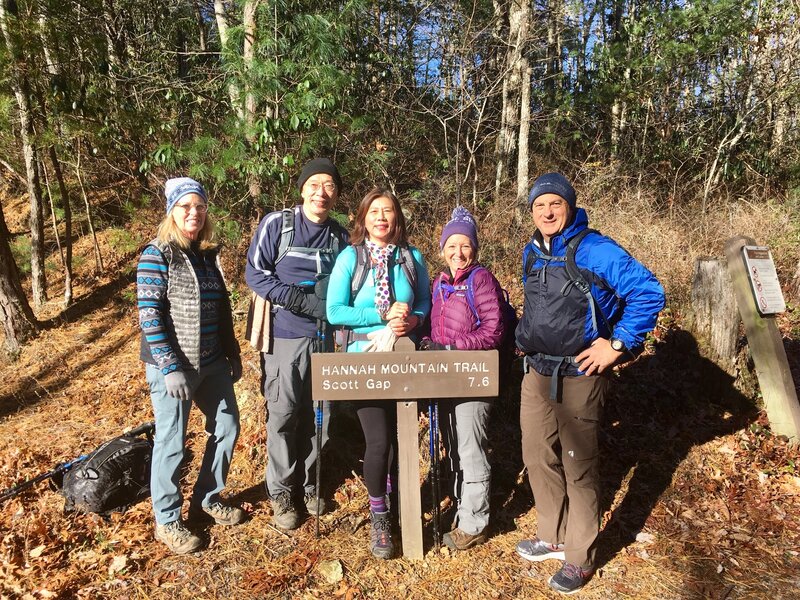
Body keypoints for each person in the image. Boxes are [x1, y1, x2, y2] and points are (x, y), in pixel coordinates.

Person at [514, 173, 665, 594]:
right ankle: (553, 535)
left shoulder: (595, 249)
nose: (547, 211)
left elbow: (648, 291)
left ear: (569, 206)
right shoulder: (533, 251)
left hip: (581, 374)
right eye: (539, 205)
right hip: (538, 373)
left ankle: (579, 557)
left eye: (555, 204)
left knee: (578, 465)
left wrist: (616, 345)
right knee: (538, 455)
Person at [137, 177, 244, 555]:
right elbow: (150, 316)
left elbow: (221, 311)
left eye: (199, 206)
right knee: (172, 441)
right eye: (186, 207)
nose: (194, 212)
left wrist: (232, 353)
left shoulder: (207, 253)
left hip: (213, 362)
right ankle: (167, 520)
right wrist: (169, 367)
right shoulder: (158, 254)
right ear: (172, 211)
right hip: (175, 367)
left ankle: (208, 497)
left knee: (228, 426)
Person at [245, 158, 349, 530]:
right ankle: (281, 492)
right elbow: (255, 275)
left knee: (321, 416)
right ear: (303, 188)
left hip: (325, 339)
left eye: (330, 186)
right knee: (285, 413)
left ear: (335, 194)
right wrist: (302, 301)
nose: (322, 192)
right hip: (285, 336)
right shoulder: (278, 225)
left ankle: (309, 484)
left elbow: (350, 282)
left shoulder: (340, 236)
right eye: (315, 184)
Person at [327, 187, 431, 559]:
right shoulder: (349, 258)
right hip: (363, 360)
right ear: (363, 218)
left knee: (403, 440)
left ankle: (403, 505)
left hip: (404, 357)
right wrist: (381, 316)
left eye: (388, 211)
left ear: (397, 217)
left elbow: (424, 300)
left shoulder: (411, 256)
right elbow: (335, 311)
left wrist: (414, 319)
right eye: (375, 212)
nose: (382, 218)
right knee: (379, 440)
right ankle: (380, 516)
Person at [419, 206, 505, 551]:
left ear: (475, 249)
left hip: (474, 379)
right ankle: (460, 507)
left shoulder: (481, 279)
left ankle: (474, 521)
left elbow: (493, 330)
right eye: (451, 245)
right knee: (453, 448)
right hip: (444, 379)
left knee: (471, 451)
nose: (458, 252)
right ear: (442, 249)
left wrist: (451, 346)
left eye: (465, 245)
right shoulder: (439, 282)